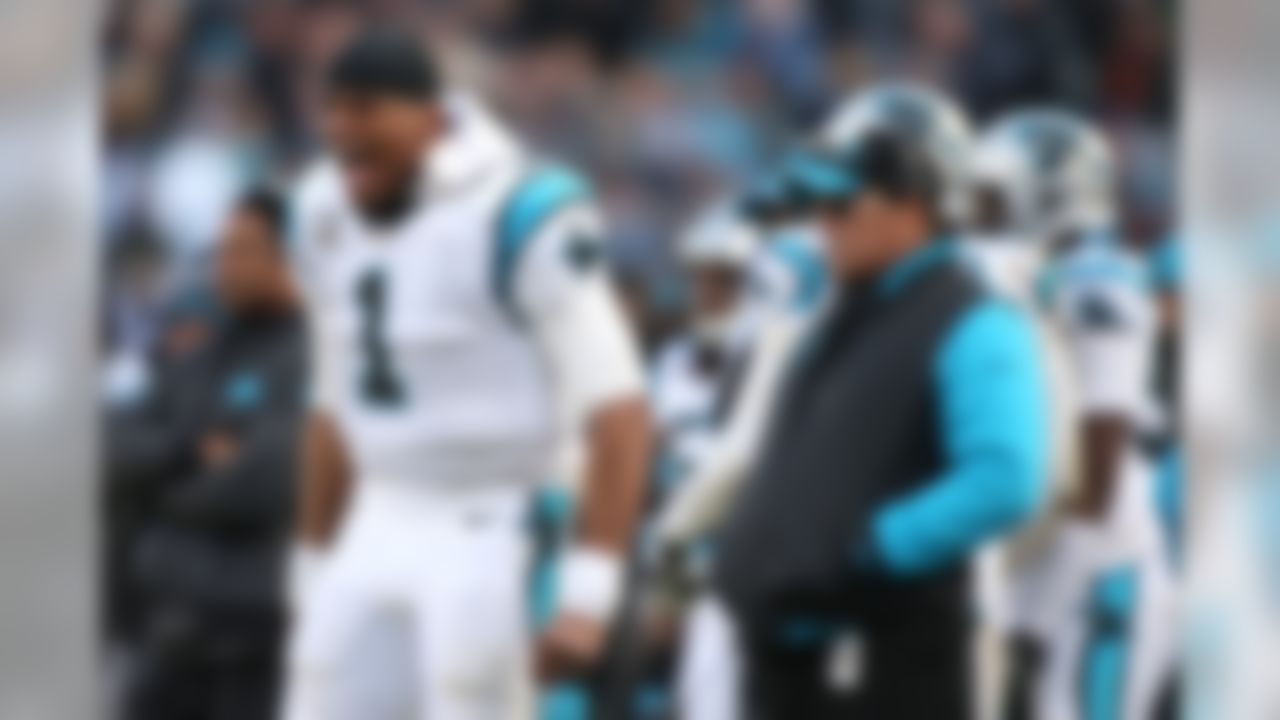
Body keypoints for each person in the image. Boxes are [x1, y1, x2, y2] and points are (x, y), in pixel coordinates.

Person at [281, 26, 651, 720]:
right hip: (378, 511)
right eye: (333, 111)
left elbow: (620, 406)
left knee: (471, 698)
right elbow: (330, 404)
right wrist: (310, 561)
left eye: (365, 110)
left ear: (431, 116)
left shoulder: (515, 209)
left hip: (494, 514)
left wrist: (590, 585)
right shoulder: (318, 210)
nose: (342, 133)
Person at [713, 83, 1052, 719]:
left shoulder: (972, 319)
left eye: (843, 205)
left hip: (884, 661)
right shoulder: (848, 310)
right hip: (794, 660)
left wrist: (871, 549)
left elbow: (1007, 476)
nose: (824, 224)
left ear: (913, 202)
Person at [965, 109, 1175, 720]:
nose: (979, 214)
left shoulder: (1096, 284)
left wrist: (1020, 609)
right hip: (1044, 571)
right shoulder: (1019, 279)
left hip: (1100, 578)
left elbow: (1094, 482)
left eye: (993, 198)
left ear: (1049, 194)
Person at [107, 189, 306, 720]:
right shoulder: (202, 352)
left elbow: (269, 482)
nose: (225, 266)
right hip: (168, 634)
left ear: (287, 256)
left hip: (261, 644)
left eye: (241, 250)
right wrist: (191, 452)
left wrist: (166, 485)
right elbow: (116, 452)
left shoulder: (316, 355)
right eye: (220, 251)